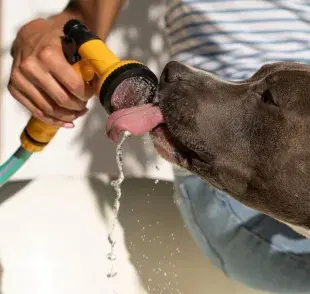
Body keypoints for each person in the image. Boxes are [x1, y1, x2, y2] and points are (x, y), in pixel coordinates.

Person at [8, 0, 310, 292]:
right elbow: (81, 15)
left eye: (266, 100)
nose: (175, 72)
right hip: (230, 164)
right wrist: (51, 37)